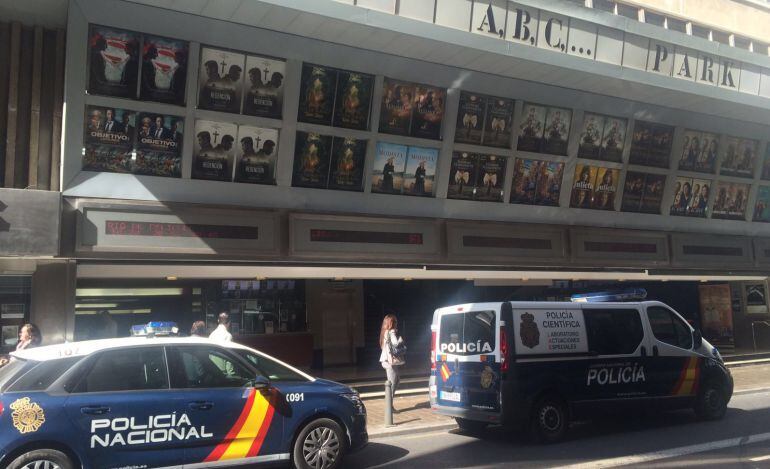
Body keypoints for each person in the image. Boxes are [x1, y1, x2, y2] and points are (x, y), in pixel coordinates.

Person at [379, 313, 404, 411]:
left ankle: (390, 404)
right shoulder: (391, 332)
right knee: (392, 383)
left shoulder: (384, 332)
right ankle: (389, 407)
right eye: (396, 322)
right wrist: (401, 339)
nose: (397, 323)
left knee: (396, 380)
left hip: (387, 360)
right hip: (390, 361)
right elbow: (395, 343)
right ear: (392, 323)